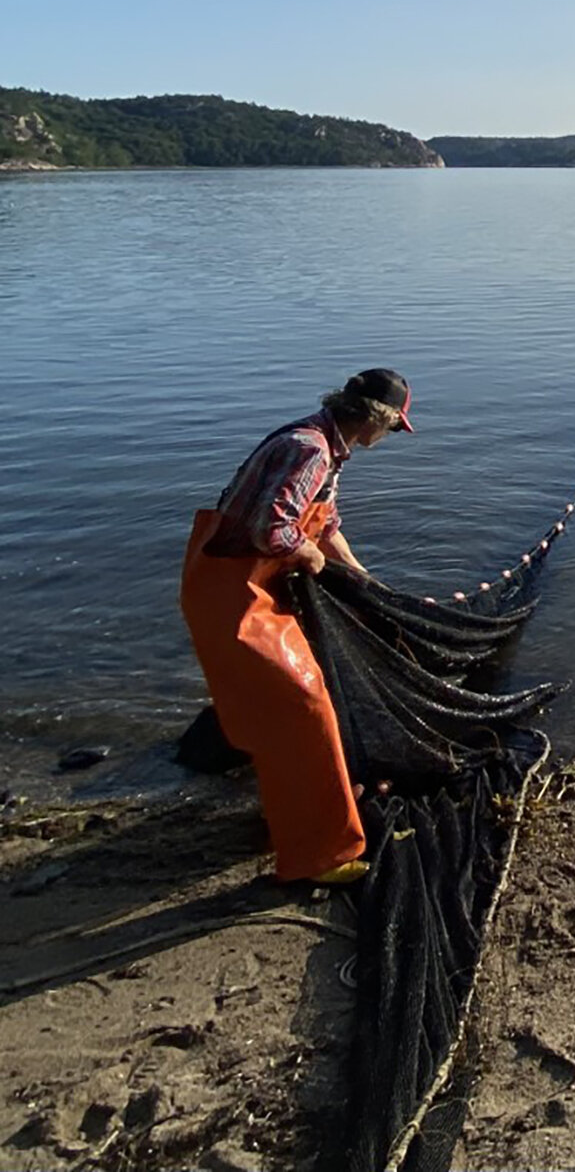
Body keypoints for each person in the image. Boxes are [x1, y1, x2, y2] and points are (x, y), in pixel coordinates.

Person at [178, 369, 416, 886]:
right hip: (233, 598)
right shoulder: (309, 450)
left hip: (254, 593)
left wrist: (367, 586)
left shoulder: (329, 448)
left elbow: (326, 528)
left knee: (290, 706)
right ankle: (320, 857)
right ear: (378, 417)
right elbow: (275, 530)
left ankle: (289, 813)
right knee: (305, 711)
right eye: (395, 426)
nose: (390, 437)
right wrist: (309, 557)